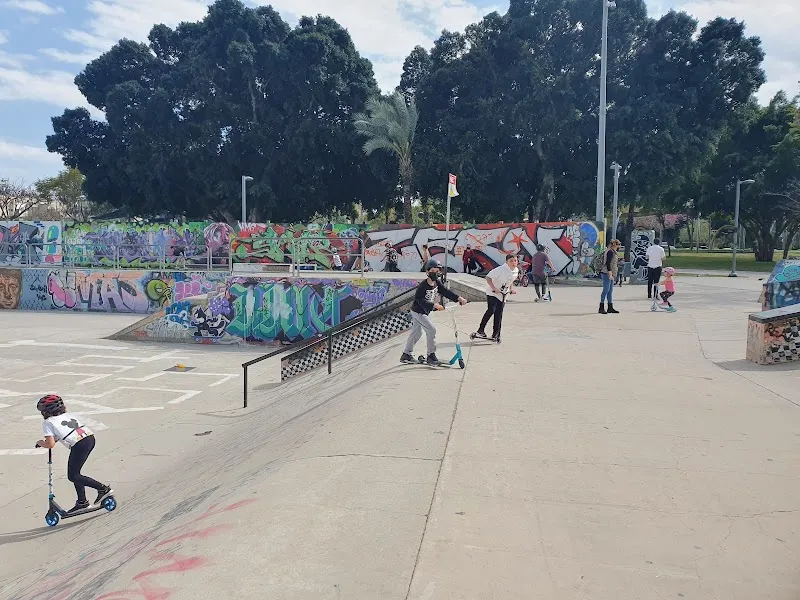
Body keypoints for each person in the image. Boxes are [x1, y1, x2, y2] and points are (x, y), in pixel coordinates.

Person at [34, 395, 112, 514]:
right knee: (76, 474)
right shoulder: (67, 415)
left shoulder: (47, 422)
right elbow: (60, 434)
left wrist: (40, 443)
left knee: (73, 476)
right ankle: (82, 502)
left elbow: (50, 444)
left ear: (46, 411)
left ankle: (103, 489)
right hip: (89, 438)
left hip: (79, 444)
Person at [401, 259, 467, 366]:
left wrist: (458, 298)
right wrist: (434, 305)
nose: (435, 273)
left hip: (424, 312)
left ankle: (406, 354)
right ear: (427, 272)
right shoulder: (423, 285)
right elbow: (419, 299)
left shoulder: (437, 283)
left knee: (417, 333)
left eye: (437, 271)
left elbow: (445, 291)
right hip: (418, 312)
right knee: (431, 330)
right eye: (432, 270)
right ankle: (431, 355)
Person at [475, 254, 519, 342]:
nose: (514, 263)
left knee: (499, 315)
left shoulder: (516, 271)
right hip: (493, 293)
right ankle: (480, 330)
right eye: (511, 261)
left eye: (515, 261)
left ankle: (496, 334)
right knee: (491, 310)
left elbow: (510, 281)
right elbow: (488, 277)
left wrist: (511, 289)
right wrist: (494, 288)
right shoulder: (500, 269)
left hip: (503, 294)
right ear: (506, 262)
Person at [599, 239, 621, 314]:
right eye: (618, 244)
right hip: (606, 273)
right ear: (614, 245)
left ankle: (610, 307)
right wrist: (610, 273)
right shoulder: (610, 252)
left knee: (610, 291)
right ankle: (601, 307)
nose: (619, 246)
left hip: (611, 273)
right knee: (606, 290)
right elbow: (608, 263)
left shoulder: (613, 252)